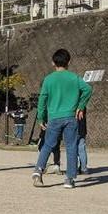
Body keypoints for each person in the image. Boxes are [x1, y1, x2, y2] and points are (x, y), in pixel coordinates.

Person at [32, 49, 92, 189]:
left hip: (54, 118)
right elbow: (88, 89)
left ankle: (38, 171)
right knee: (71, 147)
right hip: (71, 117)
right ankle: (69, 179)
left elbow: (42, 100)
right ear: (69, 62)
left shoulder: (48, 79)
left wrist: (41, 117)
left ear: (53, 62)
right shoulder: (74, 77)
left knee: (48, 144)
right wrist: (80, 106)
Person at [38, 111, 62, 175]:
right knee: (54, 148)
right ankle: (55, 165)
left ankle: (47, 165)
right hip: (51, 130)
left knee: (46, 148)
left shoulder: (47, 107)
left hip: (50, 131)